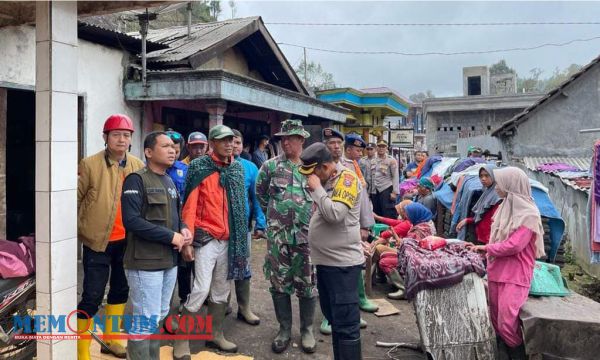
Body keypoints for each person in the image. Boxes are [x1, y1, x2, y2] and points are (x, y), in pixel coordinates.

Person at [176, 125, 249, 355]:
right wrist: (187, 242)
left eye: (231, 140)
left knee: (221, 290)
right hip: (206, 238)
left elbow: (240, 205)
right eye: (223, 140)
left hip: (231, 240)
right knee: (200, 289)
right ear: (212, 143)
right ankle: (181, 339)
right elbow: (189, 207)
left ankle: (215, 335)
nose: (229, 144)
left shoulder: (236, 169)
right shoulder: (199, 167)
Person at [77, 114, 145, 359]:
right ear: (105, 137)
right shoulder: (89, 164)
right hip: (97, 241)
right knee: (92, 296)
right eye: (115, 134)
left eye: (126, 135)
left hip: (127, 243)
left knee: (120, 290)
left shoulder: (138, 165)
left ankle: (112, 338)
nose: (121, 139)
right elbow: (75, 199)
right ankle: (82, 351)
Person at [121, 131, 192, 359]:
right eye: (165, 146)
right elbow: (131, 221)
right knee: (145, 318)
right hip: (145, 262)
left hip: (168, 261)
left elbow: (175, 215)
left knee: (160, 314)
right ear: (149, 152)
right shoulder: (137, 179)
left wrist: (182, 229)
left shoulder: (169, 180)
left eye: (173, 146)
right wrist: (170, 237)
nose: (172, 150)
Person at [468, 167, 545, 359]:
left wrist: (486, 249)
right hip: (496, 271)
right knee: (495, 319)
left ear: (511, 185)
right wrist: (483, 248)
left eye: (500, 182)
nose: (496, 186)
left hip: (515, 275)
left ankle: (519, 356)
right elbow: (496, 239)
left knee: (507, 322)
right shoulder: (503, 207)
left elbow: (514, 245)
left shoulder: (529, 214)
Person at [256, 119, 317, 354]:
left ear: (301, 140)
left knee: (307, 284)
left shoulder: (312, 166)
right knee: (279, 283)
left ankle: (307, 330)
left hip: (306, 237)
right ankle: (284, 330)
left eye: (290, 138)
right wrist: (275, 218)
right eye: (282, 138)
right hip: (278, 239)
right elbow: (260, 194)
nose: (285, 142)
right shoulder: (270, 167)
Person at [300, 142, 364, 360]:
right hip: (327, 263)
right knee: (334, 320)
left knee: (346, 325)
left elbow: (335, 214)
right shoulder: (328, 180)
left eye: (314, 173)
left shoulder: (347, 180)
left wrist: (317, 189)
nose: (311, 179)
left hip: (342, 266)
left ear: (326, 166)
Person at [319, 131, 377, 335]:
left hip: (348, 228)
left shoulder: (351, 166)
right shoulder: (319, 169)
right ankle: (328, 316)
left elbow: (362, 199)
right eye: (331, 143)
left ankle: (354, 307)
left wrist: (365, 225)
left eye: (338, 143)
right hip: (327, 232)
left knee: (350, 272)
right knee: (329, 278)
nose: (335, 146)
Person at [231, 129, 266, 325]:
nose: (234, 145)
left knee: (242, 267)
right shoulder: (211, 165)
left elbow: (257, 198)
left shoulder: (250, 167)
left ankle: (244, 308)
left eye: (237, 142)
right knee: (219, 270)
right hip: (217, 228)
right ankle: (221, 305)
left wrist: (260, 224)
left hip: (242, 227)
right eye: (230, 141)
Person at [373, 203, 436, 299]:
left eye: (407, 213)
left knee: (384, 259)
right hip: (410, 254)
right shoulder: (419, 224)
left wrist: (392, 236)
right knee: (381, 252)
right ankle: (376, 278)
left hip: (415, 259)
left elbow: (407, 247)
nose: (405, 215)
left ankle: (404, 289)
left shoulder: (421, 229)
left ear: (415, 214)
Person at [456, 165, 502, 244]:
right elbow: (481, 215)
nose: (483, 179)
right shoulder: (486, 192)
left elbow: (495, 221)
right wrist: (467, 220)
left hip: (489, 240)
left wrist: (489, 243)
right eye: (481, 176)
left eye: (487, 176)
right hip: (481, 237)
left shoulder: (498, 197)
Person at [369, 140, 399, 219]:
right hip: (374, 190)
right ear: (376, 148)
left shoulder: (391, 160)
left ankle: (389, 230)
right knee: (376, 212)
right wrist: (369, 191)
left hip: (386, 189)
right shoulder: (373, 160)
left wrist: (395, 192)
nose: (381, 148)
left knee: (388, 212)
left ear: (386, 148)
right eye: (379, 146)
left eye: (383, 147)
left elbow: (395, 176)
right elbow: (371, 176)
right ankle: (379, 230)